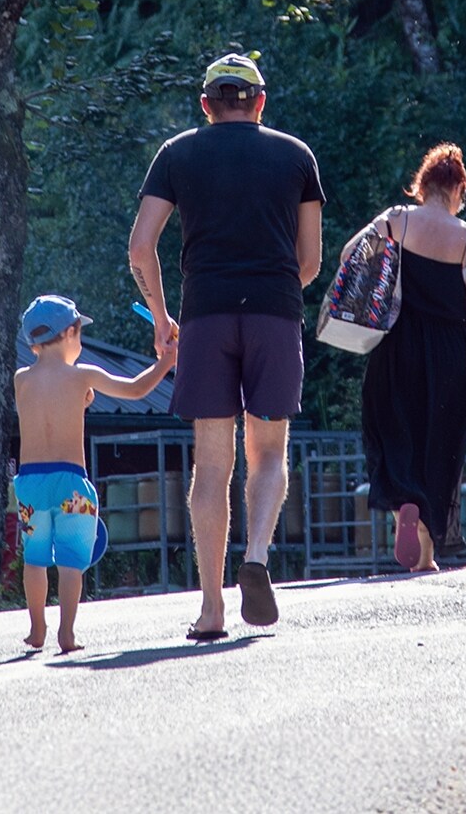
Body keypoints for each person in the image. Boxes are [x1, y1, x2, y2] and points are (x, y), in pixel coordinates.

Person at [128, 53, 326, 640]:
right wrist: (272, 292)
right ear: (260, 102)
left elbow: (141, 248)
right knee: (268, 454)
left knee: (211, 466)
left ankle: (212, 607)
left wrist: (164, 318)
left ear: (206, 104)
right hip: (273, 313)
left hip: (205, 317)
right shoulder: (296, 156)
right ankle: (258, 556)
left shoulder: (177, 153)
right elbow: (310, 262)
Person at [356, 143, 466, 572]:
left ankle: (404, 504)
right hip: (451, 352)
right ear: (459, 190)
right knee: (440, 443)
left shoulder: (397, 220)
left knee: (394, 430)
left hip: (397, 344)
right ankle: (428, 553)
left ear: (422, 184)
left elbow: (350, 256)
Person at [12, 294, 177, 653]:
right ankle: (66, 633)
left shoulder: (21, 380)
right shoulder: (82, 375)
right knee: (71, 560)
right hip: (71, 482)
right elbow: (135, 389)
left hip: (29, 484)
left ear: (32, 342)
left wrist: (76, 402)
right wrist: (166, 362)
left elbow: (44, 411)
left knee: (35, 558)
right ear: (71, 332)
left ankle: (37, 627)